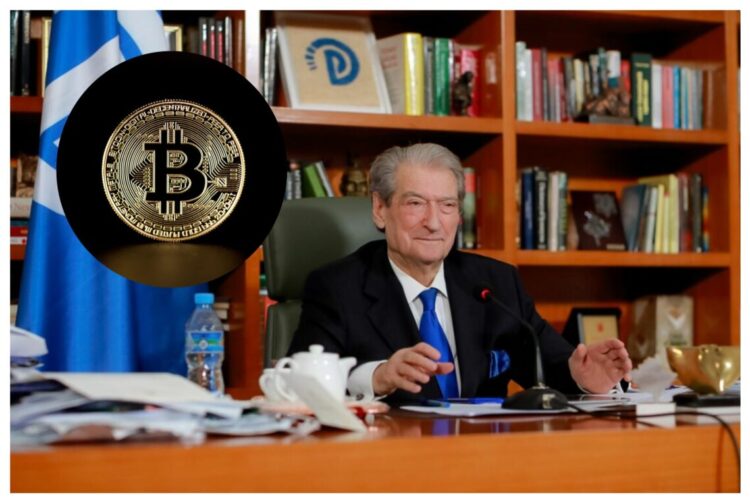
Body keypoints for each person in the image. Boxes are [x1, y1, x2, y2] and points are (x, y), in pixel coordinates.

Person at [288, 143, 632, 403]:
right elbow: (299, 388)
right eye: (415, 203)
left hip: (484, 458)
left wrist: (585, 377)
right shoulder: (337, 287)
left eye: (447, 205)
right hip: (387, 460)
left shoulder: (496, 283)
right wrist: (377, 377)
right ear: (380, 209)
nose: (433, 222)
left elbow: (550, 365)